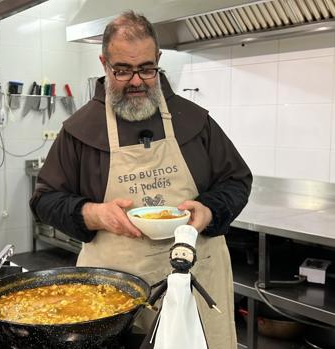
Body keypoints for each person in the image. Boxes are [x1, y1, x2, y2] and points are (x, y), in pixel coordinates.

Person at [30, 11, 252, 349]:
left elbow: (237, 181)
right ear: (104, 63)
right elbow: (44, 200)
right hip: (116, 290)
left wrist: (208, 210)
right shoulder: (79, 130)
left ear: (158, 60)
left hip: (196, 278)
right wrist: (93, 213)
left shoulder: (195, 121)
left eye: (147, 69)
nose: (136, 81)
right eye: (122, 70)